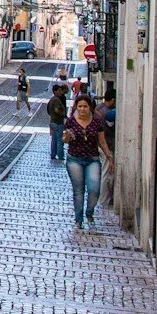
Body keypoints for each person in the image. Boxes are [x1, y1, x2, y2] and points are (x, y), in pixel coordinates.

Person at [64, 85, 112, 229]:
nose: (83, 109)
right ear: (77, 107)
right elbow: (65, 140)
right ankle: (78, 219)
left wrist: (110, 157)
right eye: (80, 106)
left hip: (92, 159)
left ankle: (89, 212)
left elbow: (102, 141)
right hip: (74, 159)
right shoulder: (71, 121)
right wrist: (66, 137)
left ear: (90, 107)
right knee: (78, 191)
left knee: (94, 189)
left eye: (85, 106)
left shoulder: (97, 121)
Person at [45, 72, 70, 164]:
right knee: (60, 140)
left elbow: (48, 110)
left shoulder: (52, 99)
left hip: (52, 121)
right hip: (57, 122)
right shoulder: (56, 100)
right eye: (59, 91)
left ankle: (53, 155)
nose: (60, 92)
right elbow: (56, 110)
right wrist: (63, 114)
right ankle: (60, 155)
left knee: (54, 139)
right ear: (55, 91)